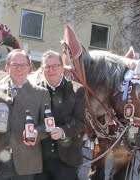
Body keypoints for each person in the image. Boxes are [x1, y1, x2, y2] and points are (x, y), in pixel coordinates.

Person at [0, 49, 51, 180]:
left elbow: (47, 124)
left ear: (29, 68)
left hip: (26, 163)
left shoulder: (41, 93)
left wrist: (36, 133)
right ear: (7, 67)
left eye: (23, 65)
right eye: (14, 65)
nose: (19, 69)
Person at [35, 50, 86, 180]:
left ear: (62, 68)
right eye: (47, 67)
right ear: (42, 69)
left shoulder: (77, 90)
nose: (50, 70)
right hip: (40, 160)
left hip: (67, 160)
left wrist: (63, 131)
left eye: (55, 66)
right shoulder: (35, 90)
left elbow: (80, 121)